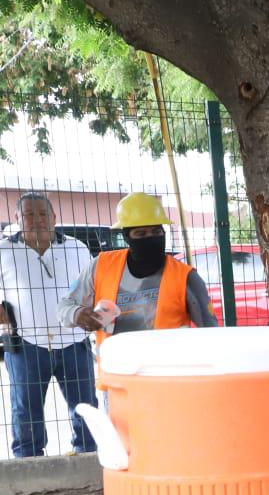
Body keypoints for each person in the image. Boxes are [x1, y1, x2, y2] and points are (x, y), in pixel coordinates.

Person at [0, 192, 97, 456]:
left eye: (43, 214)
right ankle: (28, 464)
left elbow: (92, 290)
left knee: (86, 407)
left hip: (74, 343)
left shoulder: (77, 248)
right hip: (26, 346)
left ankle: (88, 458)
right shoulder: (4, 250)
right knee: (26, 413)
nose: (37, 220)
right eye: (28, 214)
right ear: (18, 219)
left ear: (54, 217)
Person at [58, 192, 217, 343]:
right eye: (141, 234)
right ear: (126, 237)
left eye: (156, 231)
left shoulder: (185, 276)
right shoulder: (101, 266)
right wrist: (77, 314)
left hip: (165, 369)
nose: (150, 238)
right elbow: (64, 306)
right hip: (115, 368)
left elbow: (211, 333)